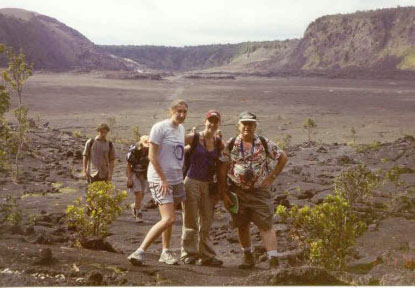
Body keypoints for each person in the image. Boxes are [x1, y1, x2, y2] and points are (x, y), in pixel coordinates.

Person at [218, 111, 288, 269]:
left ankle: (273, 261)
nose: (247, 127)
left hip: (259, 192)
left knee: (265, 225)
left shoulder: (264, 142)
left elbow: (282, 157)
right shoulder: (231, 144)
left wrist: (271, 177)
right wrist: (223, 192)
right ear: (239, 126)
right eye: (244, 124)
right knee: (242, 224)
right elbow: (222, 168)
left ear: (255, 126)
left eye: (250, 124)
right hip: (237, 191)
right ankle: (248, 257)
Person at [128, 99, 189, 266]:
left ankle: (165, 252)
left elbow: (177, 152)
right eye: (179, 111)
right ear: (171, 112)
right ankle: (139, 251)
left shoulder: (181, 129)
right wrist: (162, 179)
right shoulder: (159, 128)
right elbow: (152, 156)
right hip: (160, 179)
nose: (182, 115)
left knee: (170, 218)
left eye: (185, 112)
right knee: (169, 219)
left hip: (176, 179)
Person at [181, 110, 224, 266]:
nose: (212, 124)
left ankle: (206, 255)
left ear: (219, 123)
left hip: (208, 185)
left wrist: (221, 187)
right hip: (191, 182)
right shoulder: (194, 138)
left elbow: (224, 161)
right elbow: (174, 143)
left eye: (215, 121)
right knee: (190, 218)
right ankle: (188, 254)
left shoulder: (218, 142)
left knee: (206, 220)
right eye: (210, 121)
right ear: (204, 121)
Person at [126, 135, 150, 223]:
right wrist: (129, 178)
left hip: (144, 174)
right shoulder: (134, 150)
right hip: (134, 173)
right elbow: (128, 165)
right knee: (138, 192)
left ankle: (135, 206)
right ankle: (138, 213)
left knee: (142, 193)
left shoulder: (150, 151)